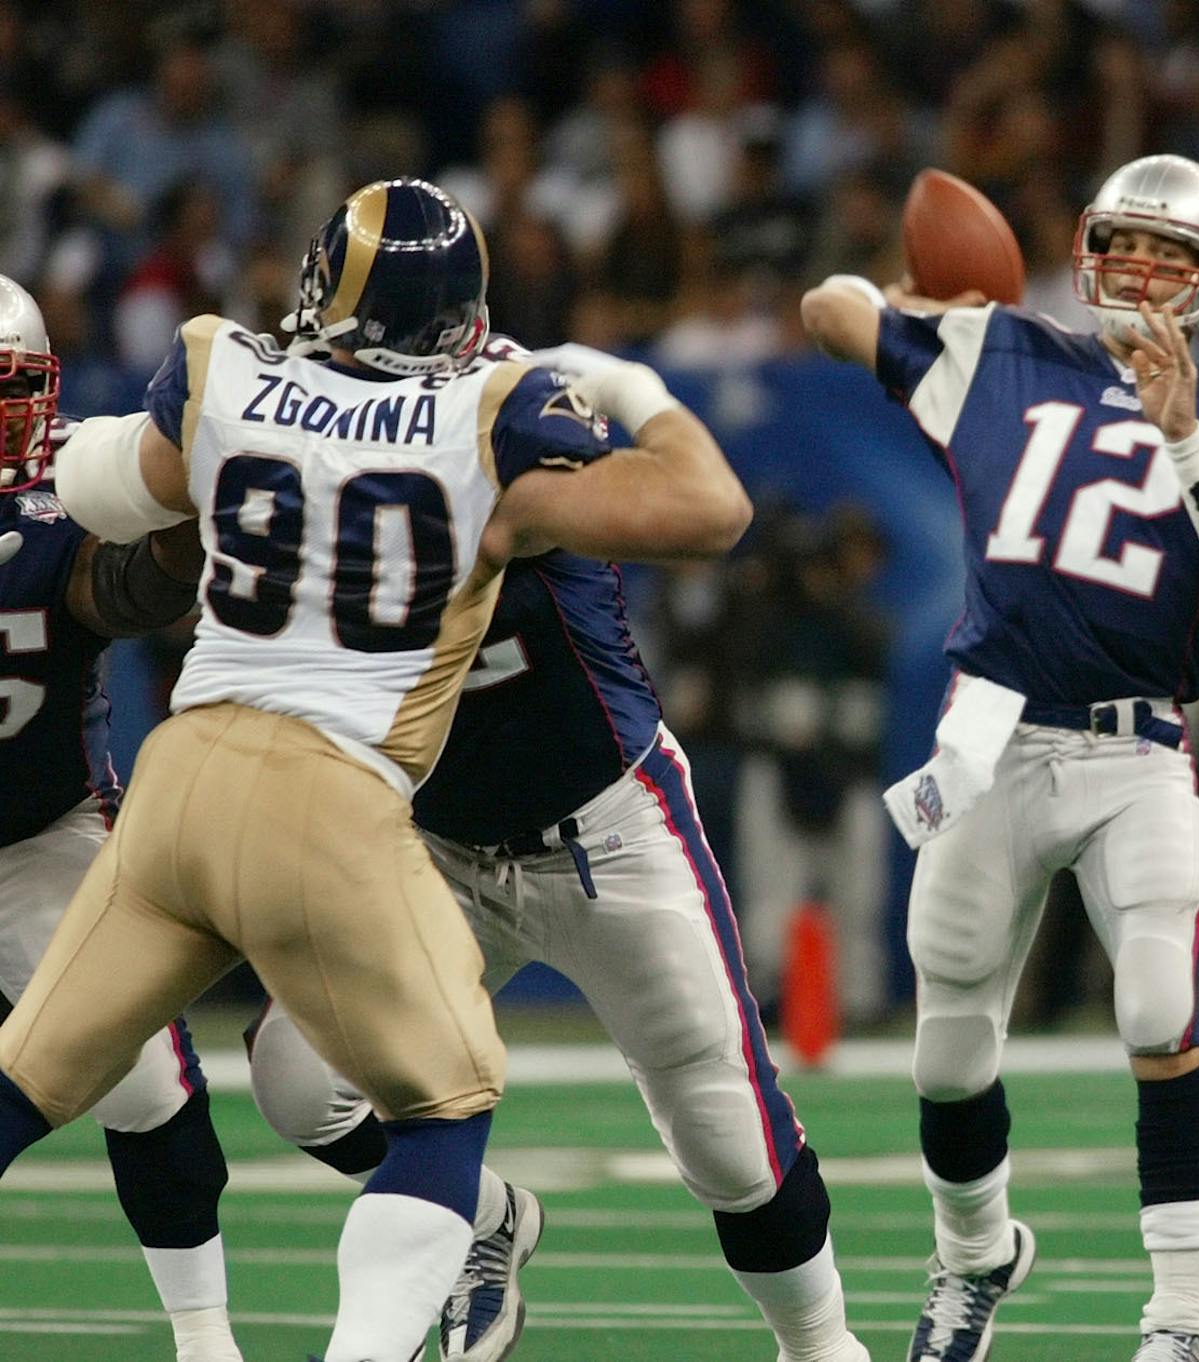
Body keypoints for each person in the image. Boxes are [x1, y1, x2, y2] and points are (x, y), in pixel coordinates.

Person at [0, 178, 750, 1362]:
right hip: (328, 801)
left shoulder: (223, 369)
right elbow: (712, 511)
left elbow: (104, 493)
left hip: (179, 785)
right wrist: (638, 392)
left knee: (25, 1080)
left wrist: (75, 468)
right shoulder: (492, 412)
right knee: (445, 1108)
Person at [800, 153, 1199, 1362]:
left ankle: (1182, 1317)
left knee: (1161, 1005)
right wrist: (927, 292)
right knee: (948, 1053)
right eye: (1128, 243)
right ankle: (977, 1254)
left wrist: (1182, 440)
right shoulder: (1000, 356)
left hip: (1134, 752)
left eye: (1173, 252)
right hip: (993, 740)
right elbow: (828, 310)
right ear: (1084, 246)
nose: (1144, 270)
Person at [240, 338, 870, 1362]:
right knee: (298, 1080)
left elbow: (713, 513)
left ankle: (822, 1345)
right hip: (433, 848)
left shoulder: (514, 425)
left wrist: (632, 393)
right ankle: (486, 1221)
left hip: (606, 833)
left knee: (730, 1144)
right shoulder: (305, 456)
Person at [0, 274, 239, 1362]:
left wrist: (181, 530)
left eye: (11, 389)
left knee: (142, 1081)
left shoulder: (79, 479)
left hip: (44, 831)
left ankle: (204, 1338)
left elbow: (133, 592)